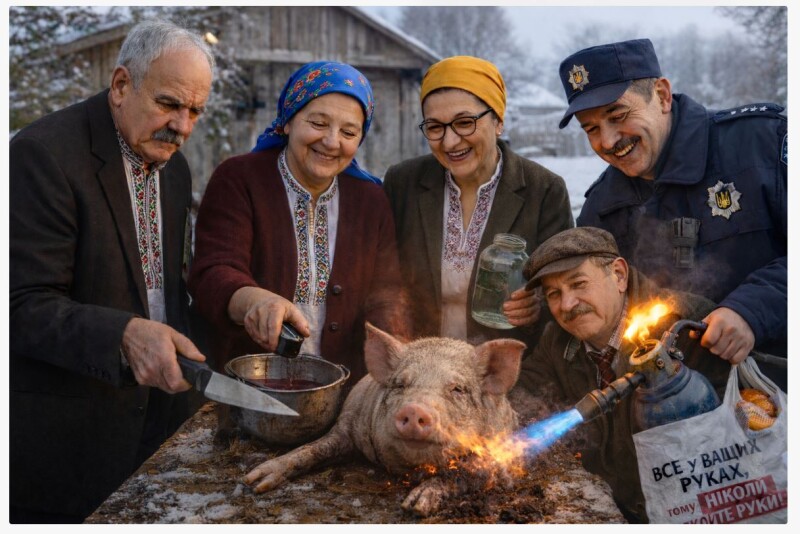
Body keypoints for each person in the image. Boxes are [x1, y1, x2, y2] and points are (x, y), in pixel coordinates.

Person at [10, 20, 214, 523]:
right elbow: (21, 304)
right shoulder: (43, 155)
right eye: (169, 103)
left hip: (154, 426)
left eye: (195, 111)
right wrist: (123, 336)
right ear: (122, 85)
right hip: (67, 438)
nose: (183, 126)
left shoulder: (175, 169)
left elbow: (162, 291)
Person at [556, 38, 787, 389]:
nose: (607, 140)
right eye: (591, 129)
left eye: (618, 116)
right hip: (679, 410)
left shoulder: (762, 143)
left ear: (662, 96)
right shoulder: (600, 209)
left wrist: (750, 312)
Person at [188, 61, 411, 384]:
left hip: (342, 390)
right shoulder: (240, 178)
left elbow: (387, 293)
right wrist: (255, 300)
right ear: (288, 121)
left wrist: (396, 356)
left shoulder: (370, 200)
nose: (332, 141)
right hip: (249, 385)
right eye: (319, 123)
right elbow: (213, 271)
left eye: (349, 132)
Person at [516, 227, 732, 523]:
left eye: (578, 284)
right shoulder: (557, 340)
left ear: (618, 275)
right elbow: (520, 393)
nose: (567, 305)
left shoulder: (685, 327)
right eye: (554, 294)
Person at [383, 56, 573, 345]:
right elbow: (384, 280)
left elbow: (562, 288)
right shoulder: (403, 183)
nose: (450, 142)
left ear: (498, 120)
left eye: (464, 122)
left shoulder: (543, 190)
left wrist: (536, 307)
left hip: (499, 368)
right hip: (420, 364)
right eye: (435, 127)